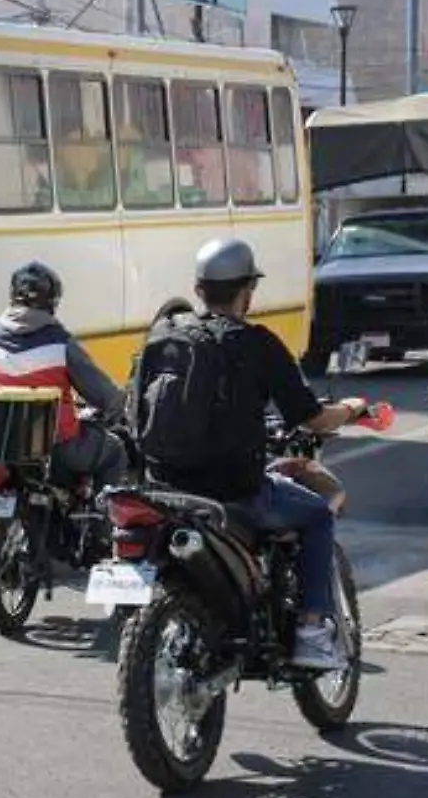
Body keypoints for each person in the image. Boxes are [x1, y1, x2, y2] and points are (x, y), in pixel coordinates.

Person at [132, 238, 367, 670]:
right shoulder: (256, 343)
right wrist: (351, 408)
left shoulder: (163, 337)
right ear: (246, 291)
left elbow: (133, 414)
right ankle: (313, 632)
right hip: (235, 493)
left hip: (164, 491)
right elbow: (312, 419)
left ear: (199, 289)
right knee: (317, 515)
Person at [0, 261, 128, 493]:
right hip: (57, 449)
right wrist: (118, 408)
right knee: (114, 451)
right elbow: (106, 396)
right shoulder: (60, 343)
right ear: (52, 302)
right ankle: (101, 525)